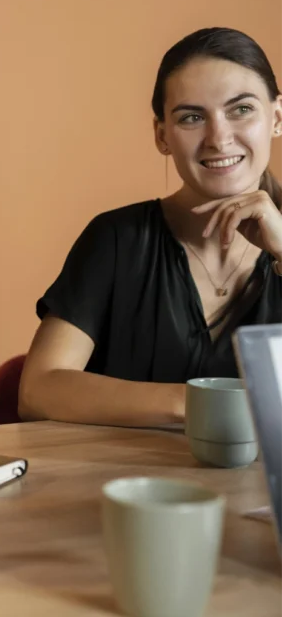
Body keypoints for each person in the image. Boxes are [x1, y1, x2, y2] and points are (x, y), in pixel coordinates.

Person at [20, 27, 282, 428]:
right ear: (162, 136)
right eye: (192, 117)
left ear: (276, 118)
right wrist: (197, 401)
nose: (218, 137)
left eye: (241, 109)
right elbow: (38, 389)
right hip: (130, 489)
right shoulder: (116, 238)